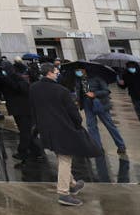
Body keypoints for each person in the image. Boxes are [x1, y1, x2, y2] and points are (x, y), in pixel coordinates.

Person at [30, 62, 101, 207]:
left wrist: (37, 126)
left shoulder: (34, 88)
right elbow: (73, 113)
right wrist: (77, 123)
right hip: (62, 128)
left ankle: (72, 184)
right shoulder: (61, 90)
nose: (57, 73)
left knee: (60, 155)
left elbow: (33, 109)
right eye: (56, 71)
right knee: (65, 159)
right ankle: (63, 193)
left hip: (45, 128)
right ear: (49, 72)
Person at [72, 66, 126, 154]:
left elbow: (106, 91)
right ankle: (97, 147)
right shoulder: (78, 80)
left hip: (100, 103)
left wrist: (94, 94)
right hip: (87, 104)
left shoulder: (96, 77)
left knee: (109, 124)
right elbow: (79, 92)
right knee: (91, 126)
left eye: (79, 70)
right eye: (76, 70)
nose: (77, 72)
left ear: (84, 70)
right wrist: (78, 100)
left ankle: (121, 145)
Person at [0, 62, 43, 160]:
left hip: (24, 108)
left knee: (25, 131)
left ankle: (24, 151)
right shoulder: (5, 79)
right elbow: (1, 90)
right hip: (16, 109)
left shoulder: (17, 78)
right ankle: (36, 150)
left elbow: (21, 89)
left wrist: (7, 79)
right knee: (25, 130)